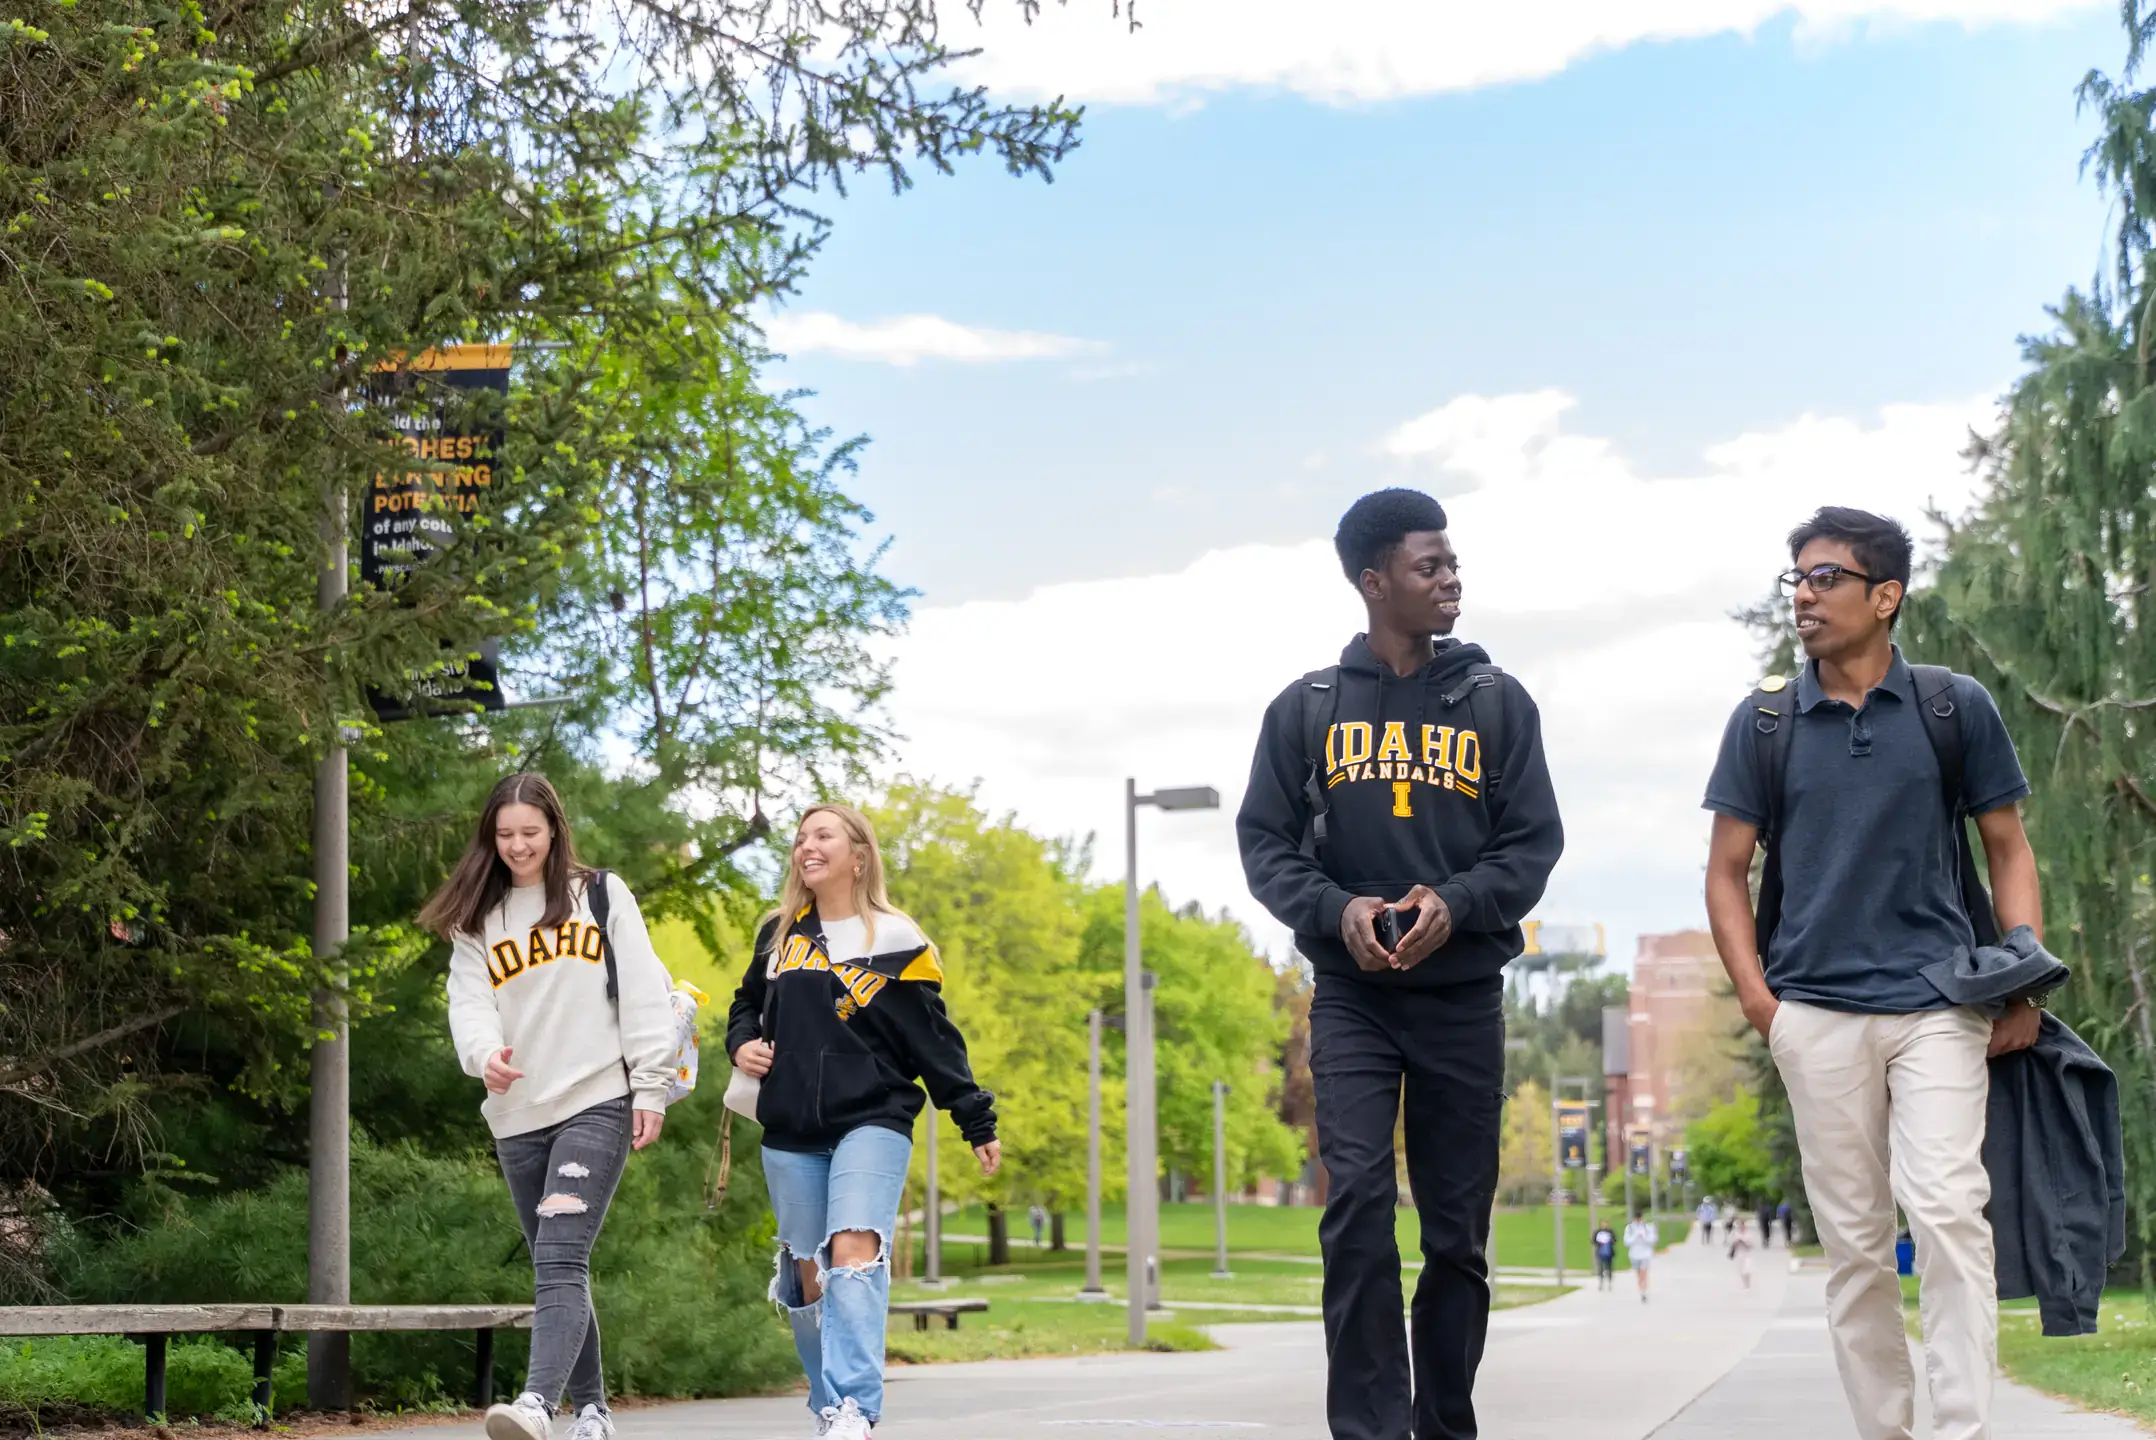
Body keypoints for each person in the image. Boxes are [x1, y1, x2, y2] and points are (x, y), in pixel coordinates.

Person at [1704, 507, 2044, 1440]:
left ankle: (1963, 1429)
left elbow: (2008, 849)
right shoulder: (1766, 721)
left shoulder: (1951, 707)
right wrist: (1760, 1002)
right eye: (1798, 580)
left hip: (1939, 1003)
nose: (1804, 598)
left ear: (1884, 596)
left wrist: (2021, 981)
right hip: (1813, 1014)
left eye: (1826, 579)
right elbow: (1726, 871)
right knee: (1854, 1249)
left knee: (1946, 1212)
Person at [1237, 488, 1563, 1440]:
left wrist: (1452, 904)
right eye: (1431, 565)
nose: (1451, 578)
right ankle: (1370, 1430)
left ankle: (1445, 1423)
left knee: (1457, 1236)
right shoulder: (1307, 710)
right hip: (1353, 1001)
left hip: (1463, 1000)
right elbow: (1267, 846)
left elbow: (1531, 846)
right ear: (1375, 582)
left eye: (1454, 562)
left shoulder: (1499, 703)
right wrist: (1340, 912)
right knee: (1360, 1210)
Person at [728, 804, 1001, 1440]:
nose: (806, 846)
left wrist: (974, 1118)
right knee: (804, 1271)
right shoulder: (779, 935)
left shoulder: (897, 939)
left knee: (853, 1247)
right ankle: (828, 1408)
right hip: (791, 1125)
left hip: (874, 1117)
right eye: (800, 839)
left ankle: (855, 1407)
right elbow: (746, 1006)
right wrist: (741, 1043)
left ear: (858, 854)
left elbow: (933, 1039)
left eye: (823, 835)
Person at [428, 773, 676, 1440]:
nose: (517, 846)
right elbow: (470, 1004)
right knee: (555, 1263)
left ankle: (537, 1403)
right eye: (504, 835)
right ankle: (592, 1410)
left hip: (596, 1099)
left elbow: (647, 994)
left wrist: (651, 1086)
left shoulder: (598, 894)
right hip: (519, 1115)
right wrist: (485, 1056)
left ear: (554, 830)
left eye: (529, 833)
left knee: (560, 1258)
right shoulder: (478, 919)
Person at [1623, 1214, 1658, 1303]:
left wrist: (1644, 1237)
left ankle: (1644, 1292)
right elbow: (1626, 1242)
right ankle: (1641, 1289)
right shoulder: (1629, 1228)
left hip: (1645, 1254)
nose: (1638, 1220)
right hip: (1634, 1254)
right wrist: (1635, 1236)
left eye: (1639, 1218)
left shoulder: (1647, 1227)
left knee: (1643, 1273)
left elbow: (1653, 1240)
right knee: (1639, 1275)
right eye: (1636, 1219)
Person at [1729, 1214, 1755, 1289]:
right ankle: (1745, 1284)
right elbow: (1733, 1243)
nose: (1741, 1227)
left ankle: (1748, 1282)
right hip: (1739, 1254)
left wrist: (1744, 1242)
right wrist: (1736, 1242)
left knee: (1747, 1270)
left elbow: (1750, 1245)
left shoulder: (1748, 1234)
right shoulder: (1736, 1233)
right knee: (1741, 1271)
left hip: (1747, 1254)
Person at [1591, 1223, 1617, 1292]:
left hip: (1609, 1252)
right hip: (1600, 1252)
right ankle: (1601, 1282)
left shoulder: (1610, 1232)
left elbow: (1615, 1240)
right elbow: (1593, 1241)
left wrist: (1610, 1241)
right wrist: (1599, 1243)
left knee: (1609, 1267)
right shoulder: (1597, 1232)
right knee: (1601, 1267)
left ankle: (1610, 1282)